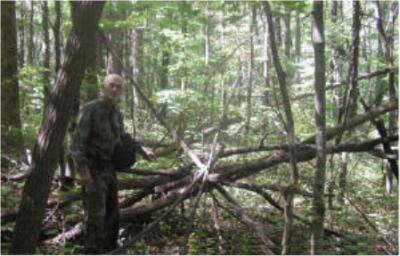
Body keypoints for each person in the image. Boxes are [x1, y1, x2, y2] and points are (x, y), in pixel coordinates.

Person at [69, 73, 154, 254]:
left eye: (118, 86)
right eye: (111, 85)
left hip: (108, 169)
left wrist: (141, 149)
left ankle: (110, 251)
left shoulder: (117, 114)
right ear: (103, 87)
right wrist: (83, 172)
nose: (115, 89)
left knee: (113, 216)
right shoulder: (90, 110)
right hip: (92, 169)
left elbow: (123, 138)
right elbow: (76, 145)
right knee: (95, 219)